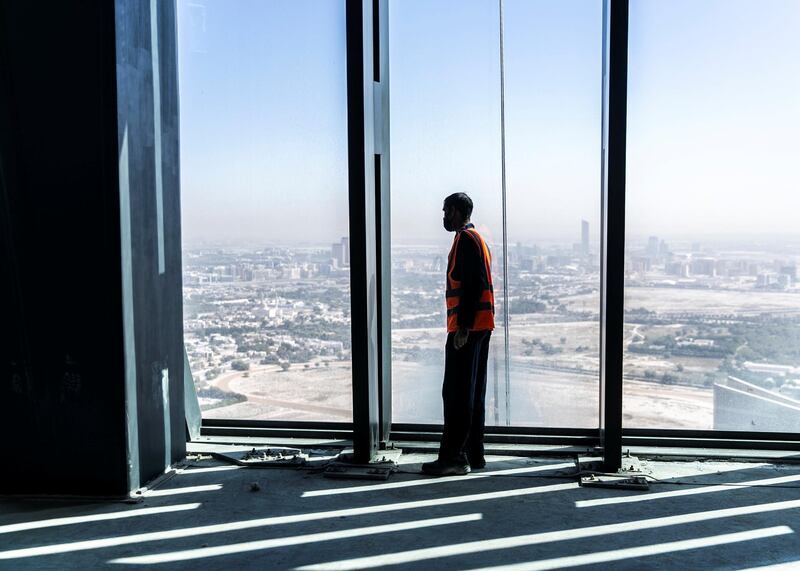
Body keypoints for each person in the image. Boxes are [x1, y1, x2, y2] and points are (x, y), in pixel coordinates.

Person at [422, 192, 495, 476]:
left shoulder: (465, 240)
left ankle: (453, 457)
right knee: (474, 392)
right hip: (481, 325)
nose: (443, 217)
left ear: (455, 211)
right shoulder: (477, 238)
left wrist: (462, 328)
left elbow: (472, 286)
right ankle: (474, 454)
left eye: (445, 211)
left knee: (456, 393)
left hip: (468, 328)